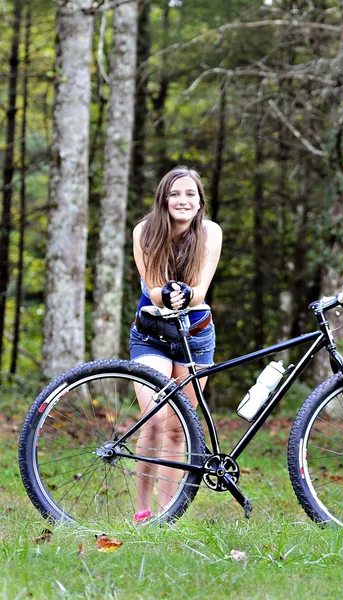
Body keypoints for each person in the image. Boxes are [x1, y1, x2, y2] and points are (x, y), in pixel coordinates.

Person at [129, 165, 222, 522]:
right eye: (175, 194)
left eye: (190, 195)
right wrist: (166, 293)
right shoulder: (145, 231)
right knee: (153, 418)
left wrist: (187, 294)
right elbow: (152, 286)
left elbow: (200, 289)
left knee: (177, 426)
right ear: (163, 199)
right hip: (151, 336)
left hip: (195, 338)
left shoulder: (210, 232)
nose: (183, 201)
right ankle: (141, 510)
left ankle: (165, 515)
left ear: (200, 202)